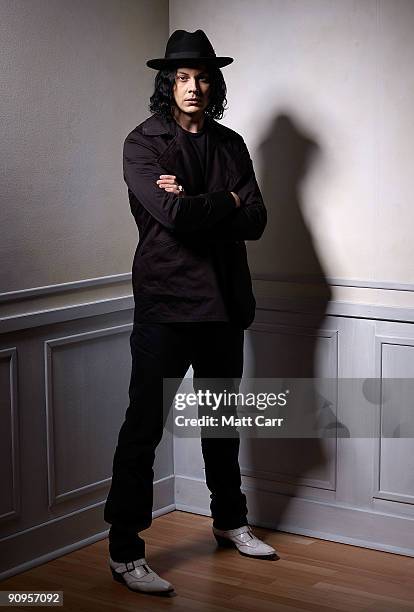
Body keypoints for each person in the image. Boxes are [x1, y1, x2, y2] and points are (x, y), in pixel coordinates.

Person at [103, 29, 277, 596]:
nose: (193, 87)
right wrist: (224, 201)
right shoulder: (143, 143)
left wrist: (212, 203)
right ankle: (125, 551)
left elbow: (256, 219)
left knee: (222, 424)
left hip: (225, 306)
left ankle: (229, 522)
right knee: (143, 428)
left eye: (202, 77)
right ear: (167, 85)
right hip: (166, 306)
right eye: (182, 78)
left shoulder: (231, 145)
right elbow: (173, 218)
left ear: (214, 83)